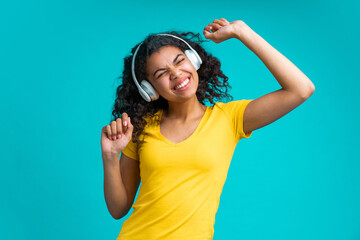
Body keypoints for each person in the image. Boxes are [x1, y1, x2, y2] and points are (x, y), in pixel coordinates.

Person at [100, 18, 315, 240]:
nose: (175, 73)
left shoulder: (229, 118)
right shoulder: (141, 129)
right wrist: (109, 156)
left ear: (193, 60)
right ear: (149, 90)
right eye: (161, 73)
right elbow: (118, 209)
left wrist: (242, 32)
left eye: (180, 61)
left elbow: (301, 89)